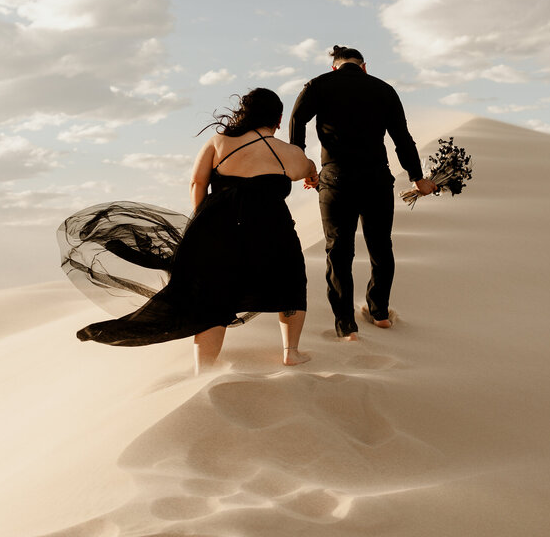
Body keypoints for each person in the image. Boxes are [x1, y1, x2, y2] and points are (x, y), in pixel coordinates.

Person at [73, 88, 318, 373]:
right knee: (290, 283)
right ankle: (291, 352)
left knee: (213, 297)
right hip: (273, 232)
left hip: (220, 230)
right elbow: (308, 168)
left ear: (245, 114)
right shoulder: (289, 153)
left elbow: (196, 183)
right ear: (278, 119)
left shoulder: (219, 143)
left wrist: (202, 219)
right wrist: (312, 176)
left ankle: (205, 368)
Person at [289, 45, 436, 341]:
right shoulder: (383, 89)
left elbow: (297, 120)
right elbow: (401, 137)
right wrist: (417, 178)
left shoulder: (318, 84)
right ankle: (380, 313)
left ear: (335, 67)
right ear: (364, 66)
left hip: (335, 177)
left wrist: (303, 163)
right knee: (381, 246)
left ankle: (346, 326)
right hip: (376, 179)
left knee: (339, 250)